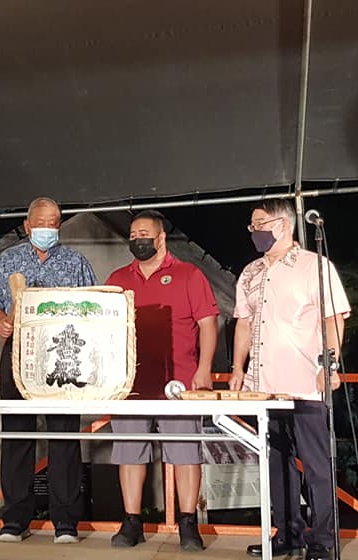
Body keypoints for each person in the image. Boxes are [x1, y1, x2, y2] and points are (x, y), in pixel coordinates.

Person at [231, 199, 350, 560]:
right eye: (251, 226)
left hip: (304, 382)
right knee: (275, 463)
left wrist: (327, 365)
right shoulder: (250, 272)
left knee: (315, 464)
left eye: (260, 224)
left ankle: (324, 540)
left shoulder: (315, 266)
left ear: (283, 225)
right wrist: (237, 368)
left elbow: (334, 318)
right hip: (264, 386)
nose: (255, 232)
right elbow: (243, 321)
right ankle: (287, 533)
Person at [0, 197, 98, 544]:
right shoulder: (8, 260)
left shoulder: (75, 261)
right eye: (42, 222)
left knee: (64, 436)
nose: (49, 228)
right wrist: (1, 321)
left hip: (64, 354)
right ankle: (15, 518)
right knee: (16, 433)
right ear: (28, 225)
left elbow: (93, 302)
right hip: (19, 352)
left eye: (55, 222)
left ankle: (66, 521)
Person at [104, 210, 219, 552]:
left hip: (180, 381)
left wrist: (205, 370)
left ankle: (187, 523)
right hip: (129, 383)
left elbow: (208, 323)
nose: (136, 239)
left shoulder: (189, 274)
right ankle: (131, 521)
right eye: (132, 234)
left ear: (160, 238)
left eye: (143, 233)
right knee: (129, 452)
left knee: (185, 452)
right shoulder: (117, 278)